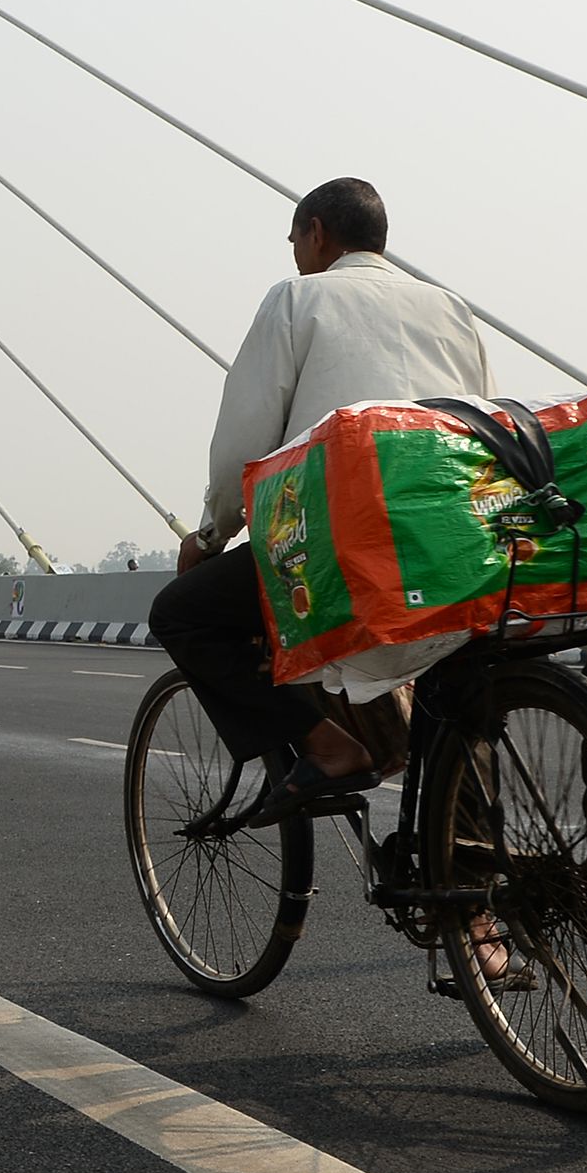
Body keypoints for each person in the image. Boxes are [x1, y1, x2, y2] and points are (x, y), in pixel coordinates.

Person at [147, 178, 487, 804]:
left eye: (295, 239)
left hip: (342, 541)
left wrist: (210, 534)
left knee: (182, 614)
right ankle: (466, 864)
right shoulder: (453, 310)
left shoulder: (297, 300)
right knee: (458, 687)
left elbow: (244, 439)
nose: (295, 255)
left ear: (317, 233)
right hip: (453, 539)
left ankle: (329, 747)